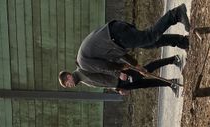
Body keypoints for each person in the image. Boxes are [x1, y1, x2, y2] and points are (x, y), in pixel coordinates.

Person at [59, 5, 190, 93]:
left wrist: (119, 72)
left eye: (68, 82)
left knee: (149, 37)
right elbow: (116, 56)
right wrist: (136, 65)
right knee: (148, 43)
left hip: (115, 35)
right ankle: (183, 41)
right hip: (116, 37)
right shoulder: (86, 60)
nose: (70, 85)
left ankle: (176, 14)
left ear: (69, 75)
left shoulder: (84, 64)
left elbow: (104, 66)